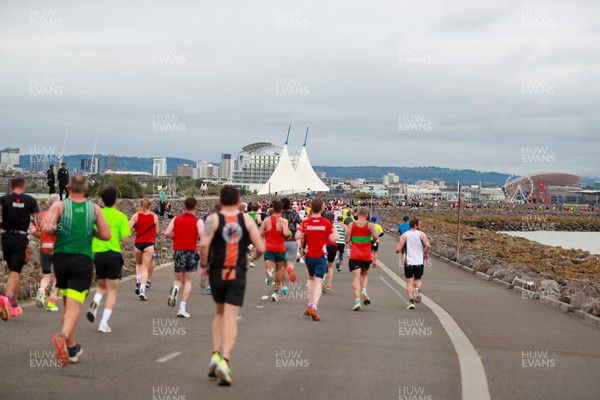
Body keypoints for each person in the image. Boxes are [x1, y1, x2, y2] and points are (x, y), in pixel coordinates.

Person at [43, 174, 110, 366]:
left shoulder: (59, 206)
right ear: (86, 190)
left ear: (68, 189)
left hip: (61, 258)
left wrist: (60, 228)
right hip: (82, 259)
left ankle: (71, 349)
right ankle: (62, 337)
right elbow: (106, 235)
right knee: (74, 308)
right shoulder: (94, 208)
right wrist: (92, 231)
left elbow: (46, 227)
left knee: (66, 305)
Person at [200, 186, 264, 386]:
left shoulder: (212, 219)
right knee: (231, 317)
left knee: (219, 313)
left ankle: (215, 354)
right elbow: (261, 247)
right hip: (237, 271)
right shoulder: (246, 220)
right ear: (238, 201)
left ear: (220, 200)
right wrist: (252, 257)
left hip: (217, 271)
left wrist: (204, 265)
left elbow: (203, 245)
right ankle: (225, 361)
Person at [87, 186, 131, 332]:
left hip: (98, 254)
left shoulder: (97, 215)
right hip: (113, 254)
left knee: (101, 286)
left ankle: (95, 302)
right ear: (116, 199)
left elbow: (91, 232)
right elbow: (125, 240)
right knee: (112, 291)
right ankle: (103, 323)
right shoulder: (121, 217)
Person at [0, 178, 40, 320]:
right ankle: (8, 298)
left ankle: (15, 306)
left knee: (12, 271)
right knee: (16, 272)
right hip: (21, 239)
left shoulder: (4, 200)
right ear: (23, 187)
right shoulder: (30, 201)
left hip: (6, 238)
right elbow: (37, 221)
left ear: (11, 187)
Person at [295, 199, 338, 321]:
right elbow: (332, 238)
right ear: (322, 209)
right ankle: (314, 306)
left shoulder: (306, 222)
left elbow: (297, 236)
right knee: (319, 282)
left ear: (311, 208)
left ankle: (309, 304)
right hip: (320, 256)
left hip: (309, 256)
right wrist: (335, 234)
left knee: (311, 280)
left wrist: (303, 235)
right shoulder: (326, 223)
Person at [164, 197, 204, 318]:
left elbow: (166, 233)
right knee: (188, 281)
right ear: (196, 207)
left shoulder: (176, 219)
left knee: (178, 279)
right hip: (191, 252)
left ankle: (175, 288)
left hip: (178, 252)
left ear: (184, 206)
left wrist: (175, 238)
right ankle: (182, 308)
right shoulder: (198, 222)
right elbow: (203, 239)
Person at [345, 207, 378, 311]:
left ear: (357, 214)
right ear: (367, 215)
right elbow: (376, 236)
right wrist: (371, 242)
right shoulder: (370, 225)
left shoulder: (351, 225)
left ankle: (358, 301)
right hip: (366, 255)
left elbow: (346, 239)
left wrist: (350, 239)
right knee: (364, 274)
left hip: (355, 255)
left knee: (356, 278)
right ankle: (364, 290)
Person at [32, 193, 60, 312]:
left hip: (44, 249)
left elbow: (33, 230)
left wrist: (42, 236)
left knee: (46, 275)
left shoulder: (41, 216)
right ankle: (51, 303)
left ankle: (42, 290)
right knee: (58, 278)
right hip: (58, 250)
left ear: (48, 203)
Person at [395, 218, 431, 310]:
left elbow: (399, 248)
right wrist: (426, 253)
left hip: (409, 262)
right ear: (415, 225)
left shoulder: (405, 235)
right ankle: (417, 288)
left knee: (409, 282)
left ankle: (411, 301)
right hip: (419, 262)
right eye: (419, 224)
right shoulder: (422, 234)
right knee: (418, 279)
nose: (420, 226)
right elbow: (428, 246)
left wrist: (397, 251)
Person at [260, 199, 291, 301]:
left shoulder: (266, 220)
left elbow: (260, 232)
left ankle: (269, 273)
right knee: (279, 270)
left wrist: (265, 236)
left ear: (272, 209)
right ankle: (276, 292)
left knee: (269, 267)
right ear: (282, 209)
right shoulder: (284, 221)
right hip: (280, 248)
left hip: (269, 247)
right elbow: (286, 234)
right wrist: (289, 234)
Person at [129, 199, 159, 300]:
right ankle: (142, 290)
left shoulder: (136, 215)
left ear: (141, 206)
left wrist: (137, 227)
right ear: (150, 206)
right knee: (145, 268)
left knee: (138, 264)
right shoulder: (154, 217)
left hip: (138, 243)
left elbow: (129, 228)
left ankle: (138, 279)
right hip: (149, 244)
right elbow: (157, 231)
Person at [280, 198, 301, 290]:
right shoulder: (295, 215)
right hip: (292, 241)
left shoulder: (279, 216)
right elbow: (302, 223)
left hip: (281, 241)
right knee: (290, 263)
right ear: (289, 206)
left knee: (282, 266)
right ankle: (290, 268)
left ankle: (284, 287)